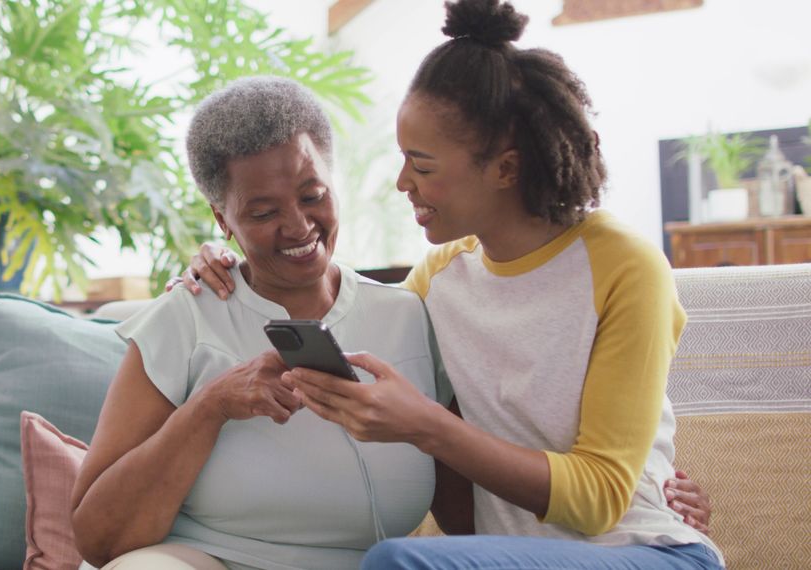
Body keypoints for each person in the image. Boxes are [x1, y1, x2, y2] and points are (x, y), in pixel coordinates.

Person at [170, 1, 723, 568]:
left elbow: (602, 499)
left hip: (647, 552)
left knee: (398, 563)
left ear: (505, 169)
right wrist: (218, 259)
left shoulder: (624, 265)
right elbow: (333, 292)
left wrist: (426, 426)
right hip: (508, 558)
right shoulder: (438, 280)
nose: (402, 181)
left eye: (424, 165)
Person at [70, 76, 458, 570]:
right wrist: (211, 405)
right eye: (263, 211)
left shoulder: (408, 318)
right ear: (223, 219)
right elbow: (97, 538)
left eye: (312, 195)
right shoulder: (186, 314)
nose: (298, 226)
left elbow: (470, 514)